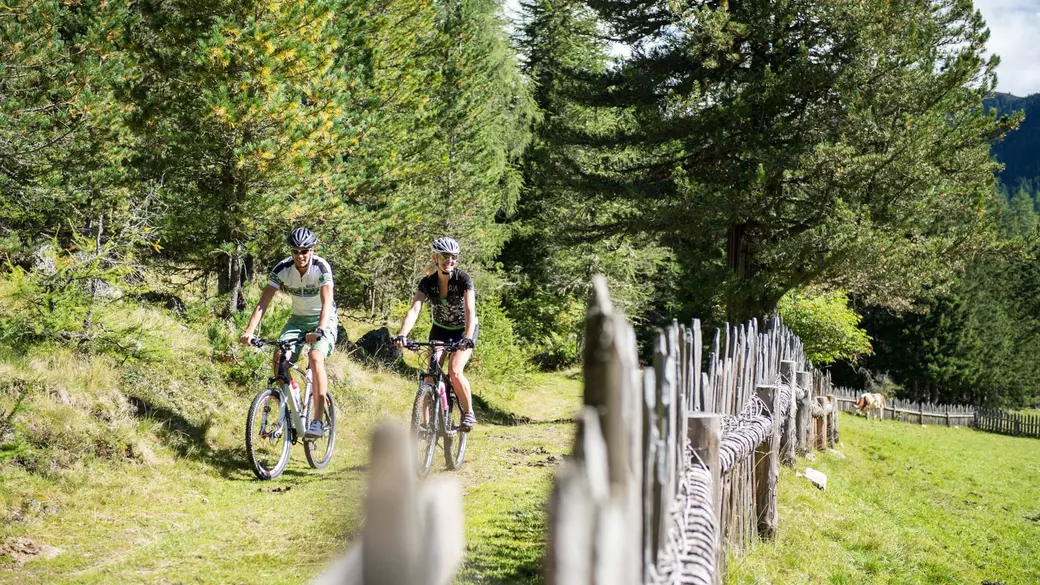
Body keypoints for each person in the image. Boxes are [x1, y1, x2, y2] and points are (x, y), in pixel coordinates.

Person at [240, 227, 337, 439]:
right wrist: (249, 330)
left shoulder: (321, 267)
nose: (300, 256)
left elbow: (327, 301)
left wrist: (320, 329)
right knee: (278, 358)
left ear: (312, 250)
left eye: (304, 251)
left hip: (324, 317)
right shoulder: (283, 268)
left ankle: (318, 421)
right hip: (297, 320)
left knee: (315, 357)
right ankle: (291, 403)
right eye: (296, 251)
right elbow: (263, 303)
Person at [395, 237, 478, 431]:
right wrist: (402, 334)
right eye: (445, 256)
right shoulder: (427, 282)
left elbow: (469, 309)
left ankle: (468, 412)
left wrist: (467, 336)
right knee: (430, 374)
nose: (449, 261)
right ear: (435, 257)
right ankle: (423, 425)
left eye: (453, 257)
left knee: (455, 371)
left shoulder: (463, 279)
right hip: (440, 329)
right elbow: (415, 309)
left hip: (465, 330)